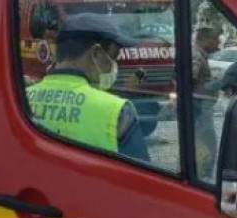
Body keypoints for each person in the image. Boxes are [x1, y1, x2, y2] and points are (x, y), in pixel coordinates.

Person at [25, 13, 150, 162]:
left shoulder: (23, 98)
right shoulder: (117, 111)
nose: (115, 65)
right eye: (113, 56)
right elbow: (141, 180)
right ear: (96, 53)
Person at [192, 26, 222, 179]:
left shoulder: (200, 55)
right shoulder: (196, 56)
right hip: (200, 106)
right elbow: (191, 77)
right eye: (215, 39)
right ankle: (202, 175)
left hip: (201, 106)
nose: (218, 43)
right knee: (207, 141)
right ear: (205, 40)